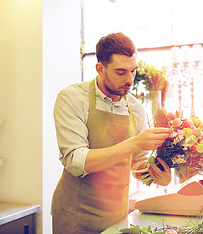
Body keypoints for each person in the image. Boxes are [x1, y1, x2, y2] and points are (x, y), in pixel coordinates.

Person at [51, 32, 172, 234]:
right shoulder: (71, 99)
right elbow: (76, 161)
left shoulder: (136, 107)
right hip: (75, 217)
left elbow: (136, 162)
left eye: (133, 71)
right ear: (100, 68)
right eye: (121, 72)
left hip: (117, 215)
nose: (129, 80)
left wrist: (158, 176)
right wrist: (135, 143)